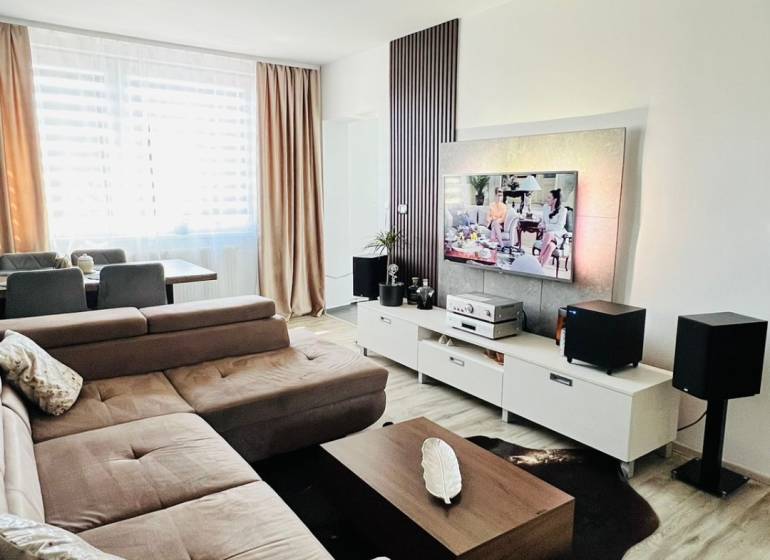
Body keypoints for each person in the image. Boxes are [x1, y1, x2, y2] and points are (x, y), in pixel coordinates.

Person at [537, 188, 567, 266]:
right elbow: (543, 220)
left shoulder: (563, 210)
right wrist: (541, 224)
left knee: (549, 234)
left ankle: (540, 257)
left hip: (558, 236)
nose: (547, 199)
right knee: (550, 246)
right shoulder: (545, 207)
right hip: (547, 237)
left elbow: (559, 226)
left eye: (549, 197)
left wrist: (546, 226)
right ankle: (541, 268)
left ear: (555, 200)